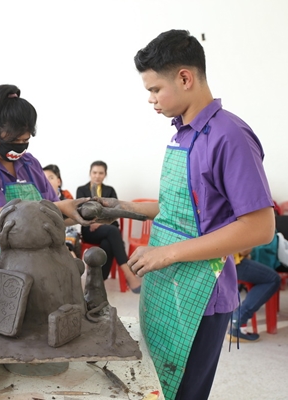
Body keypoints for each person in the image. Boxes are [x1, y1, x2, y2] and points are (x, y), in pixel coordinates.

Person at [95, 30, 274, 400]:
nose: (151, 99)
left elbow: (260, 227)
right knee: (159, 387)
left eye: (155, 89)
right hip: (168, 283)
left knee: (184, 392)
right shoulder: (184, 135)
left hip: (201, 292)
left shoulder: (229, 136)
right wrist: (122, 208)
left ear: (185, 78)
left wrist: (166, 253)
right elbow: (184, 208)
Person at [0, 84, 89, 301]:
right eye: (13, 141)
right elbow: (3, 218)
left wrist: (82, 213)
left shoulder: (29, 163)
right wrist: (59, 208)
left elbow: (53, 211)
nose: (19, 147)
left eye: (25, 141)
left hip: (32, 261)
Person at [76, 161, 142, 291]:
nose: (97, 176)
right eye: (94, 172)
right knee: (113, 232)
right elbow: (81, 210)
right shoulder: (81, 190)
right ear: (90, 173)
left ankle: (99, 281)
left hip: (108, 228)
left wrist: (100, 223)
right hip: (90, 230)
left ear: (105, 174)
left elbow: (115, 210)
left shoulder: (109, 190)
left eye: (101, 173)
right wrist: (93, 222)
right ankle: (128, 274)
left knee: (108, 242)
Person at [231, 248, 281, 342]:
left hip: (214, 263)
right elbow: (243, 250)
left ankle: (237, 321)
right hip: (232, 263)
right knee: (273, 279)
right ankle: (239, 319)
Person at [43, 164, 81, 258]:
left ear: (58, 181)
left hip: (68, 239)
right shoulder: (39, 201)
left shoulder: (67, 200)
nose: (47, 181)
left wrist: (66, 246)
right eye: (43, 178)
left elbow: (73, 227)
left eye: (51, 178)